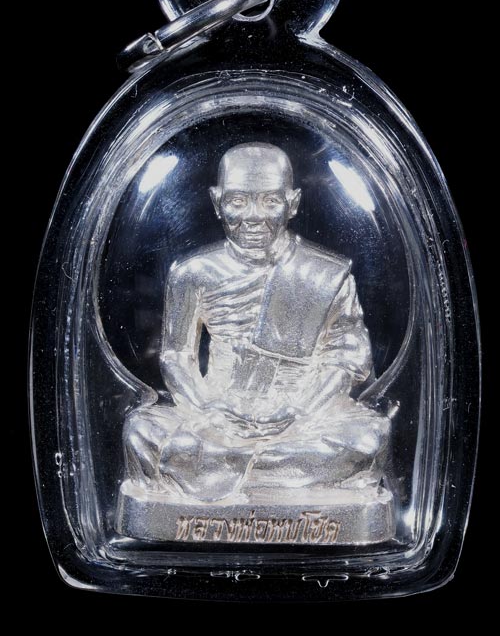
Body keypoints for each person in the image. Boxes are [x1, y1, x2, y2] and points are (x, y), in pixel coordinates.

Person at [123, 142, 390, 502]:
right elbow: (176, 356)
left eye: (270, 201)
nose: (253, 217)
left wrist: (299, 410)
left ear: (292, 203)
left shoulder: (325, 274)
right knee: (140, 430)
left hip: (300, 415)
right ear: (217, 202)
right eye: (237, 201)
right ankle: (275, 475)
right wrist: (208, 407)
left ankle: (221, 469)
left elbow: (345, 359)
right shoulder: (192, 273)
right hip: (217, 415)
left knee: (367, 440)